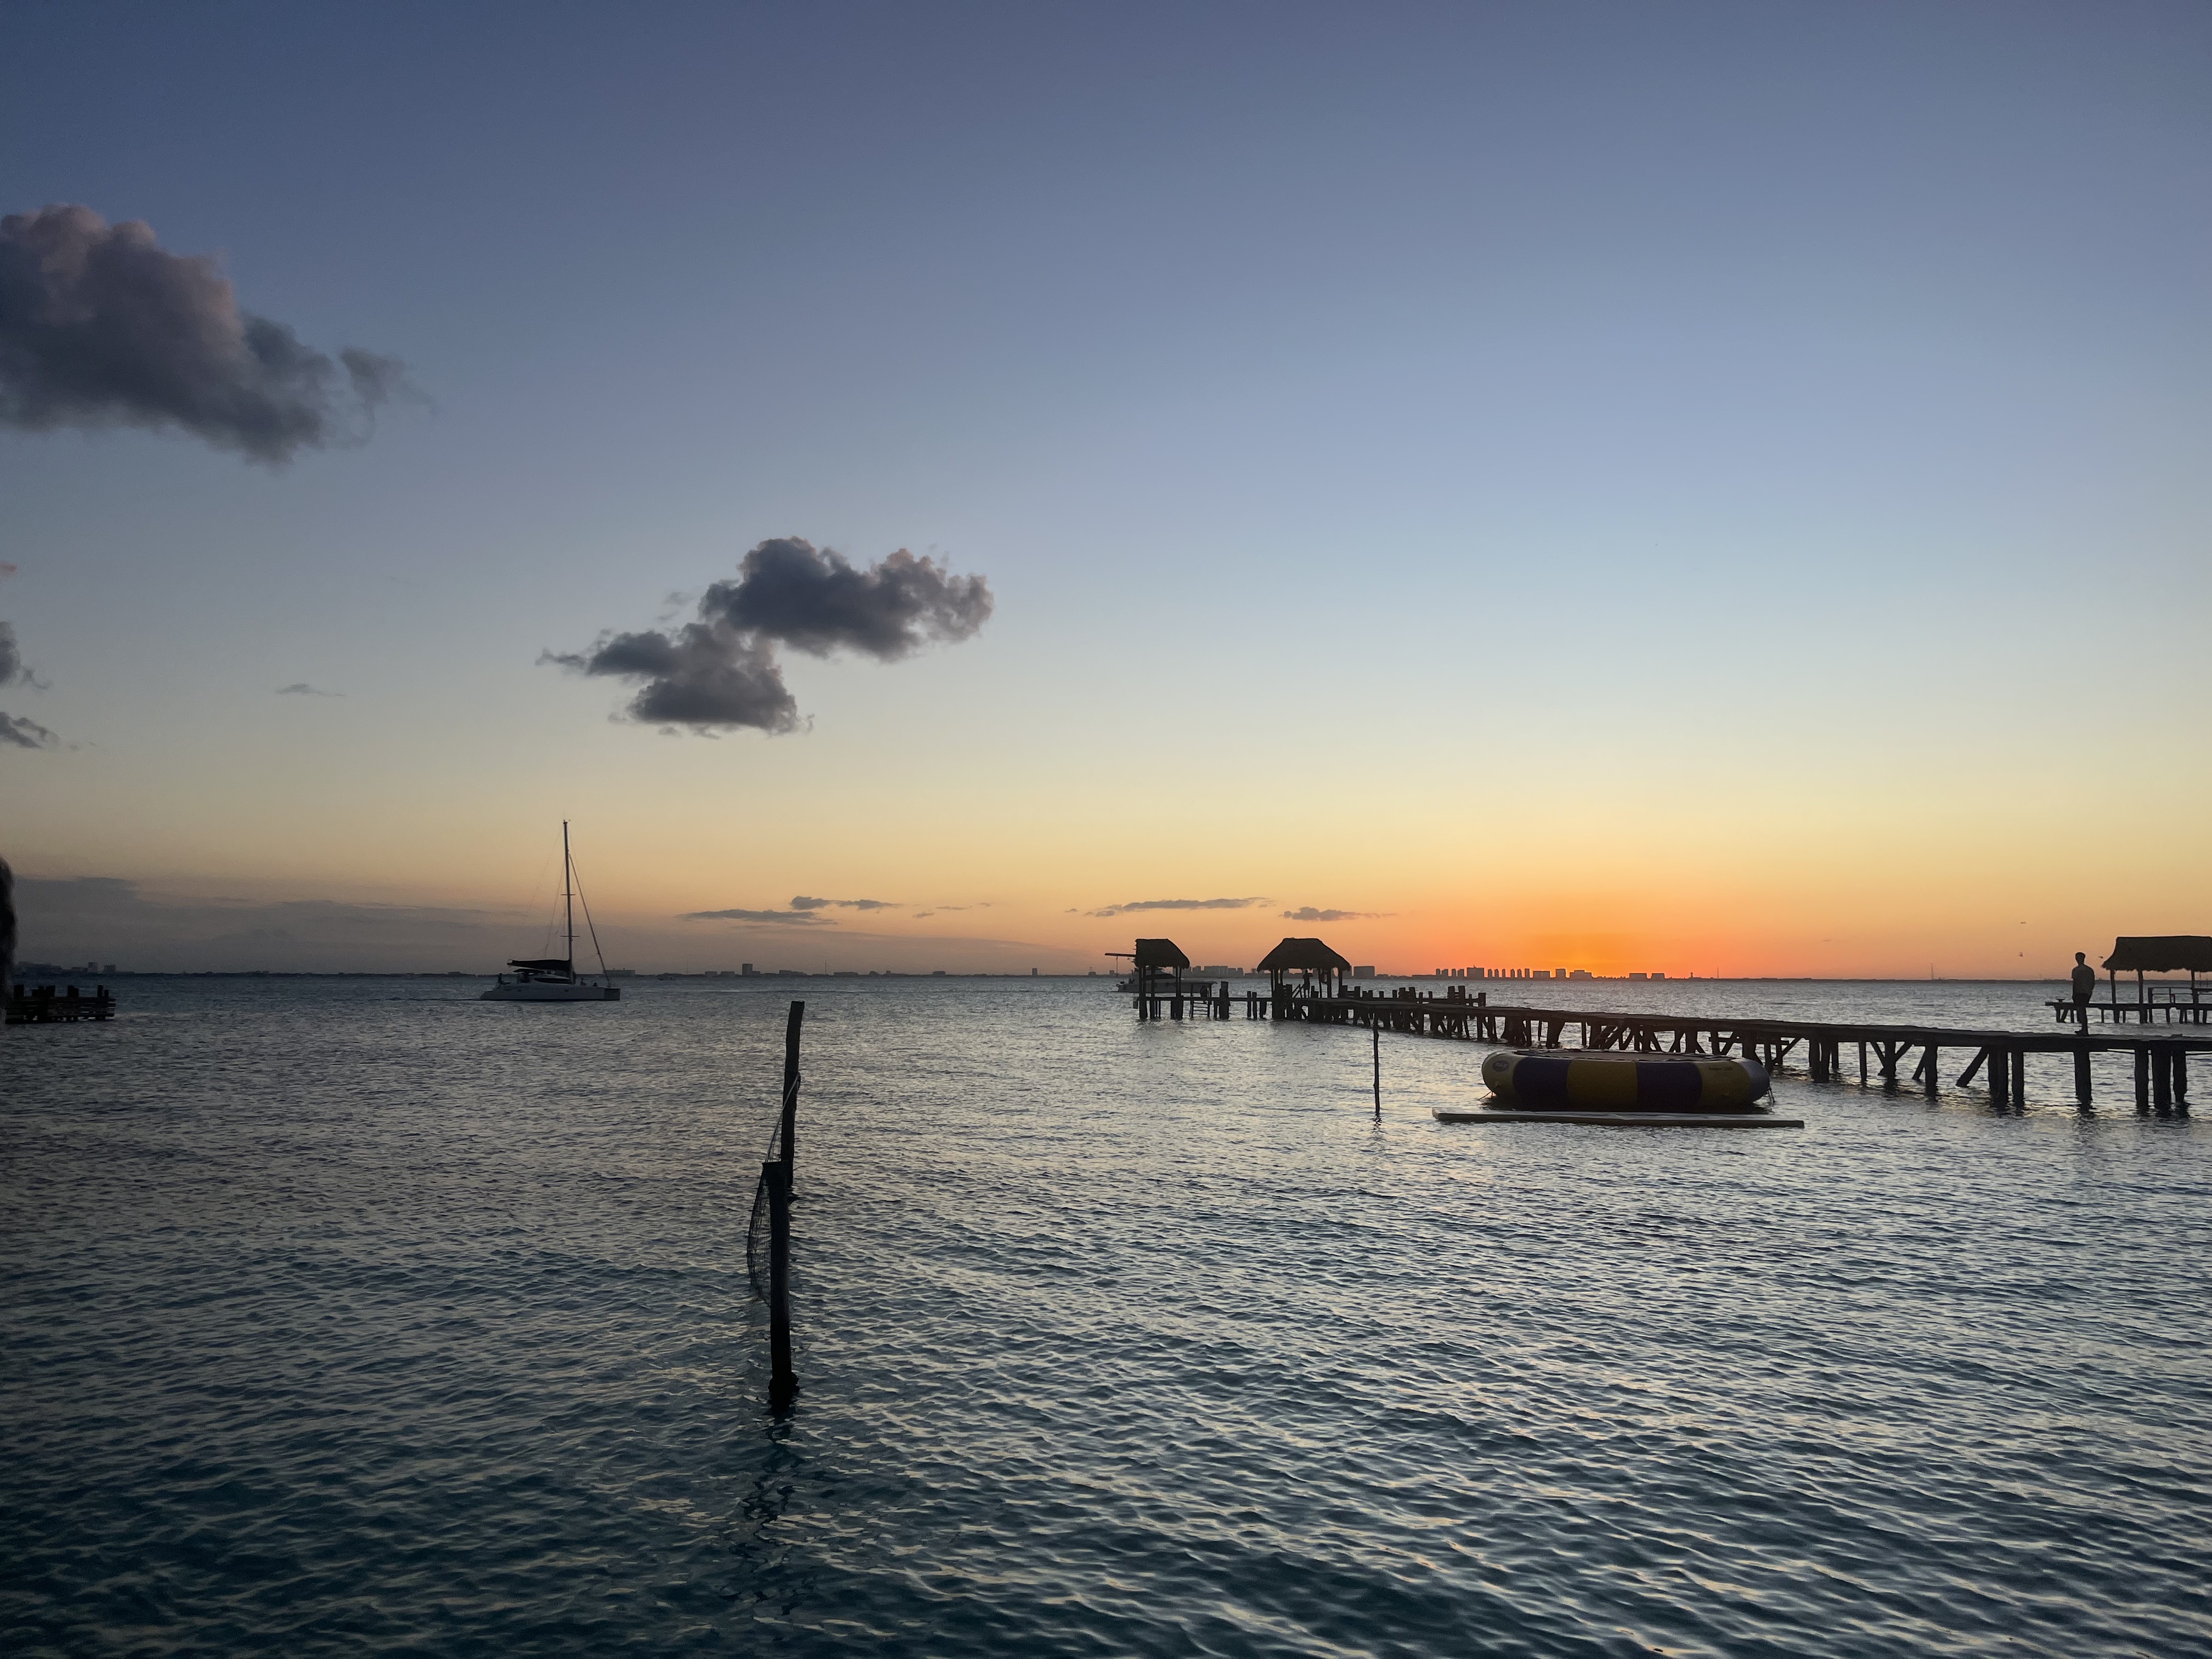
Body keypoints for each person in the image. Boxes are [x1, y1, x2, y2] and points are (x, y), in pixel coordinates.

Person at [2070, 951, 2097, 1025]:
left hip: (2080, 993)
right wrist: (2090, 992)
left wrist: (2074, 994)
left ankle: (2084, 1027)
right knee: (2082, 1010)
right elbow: (2092, 983)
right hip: (2086, 993)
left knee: (2081, 1010)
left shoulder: (2076, 970)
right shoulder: (2089, 970)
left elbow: (2075, 983)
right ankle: (2083, 1027)